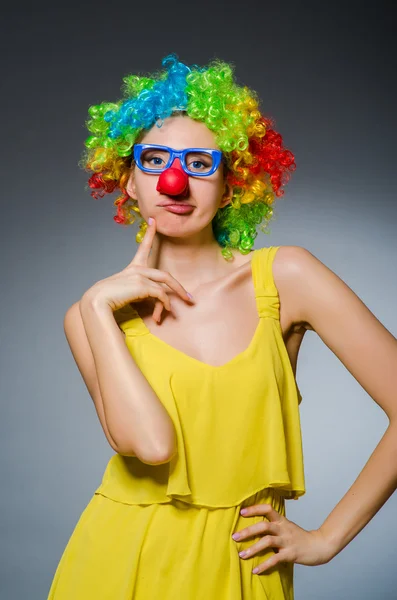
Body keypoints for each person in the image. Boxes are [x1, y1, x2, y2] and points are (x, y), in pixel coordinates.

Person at [47, 54, 397, 599]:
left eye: (199, 164)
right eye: (155, 160)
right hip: (117, 560)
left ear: (233, 186)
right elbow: (152, 447)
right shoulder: (92, 314)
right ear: (129, 183)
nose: (174, 180)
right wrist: (96, 308)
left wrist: (327, 539)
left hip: (240, 563)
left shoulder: (287, 277)